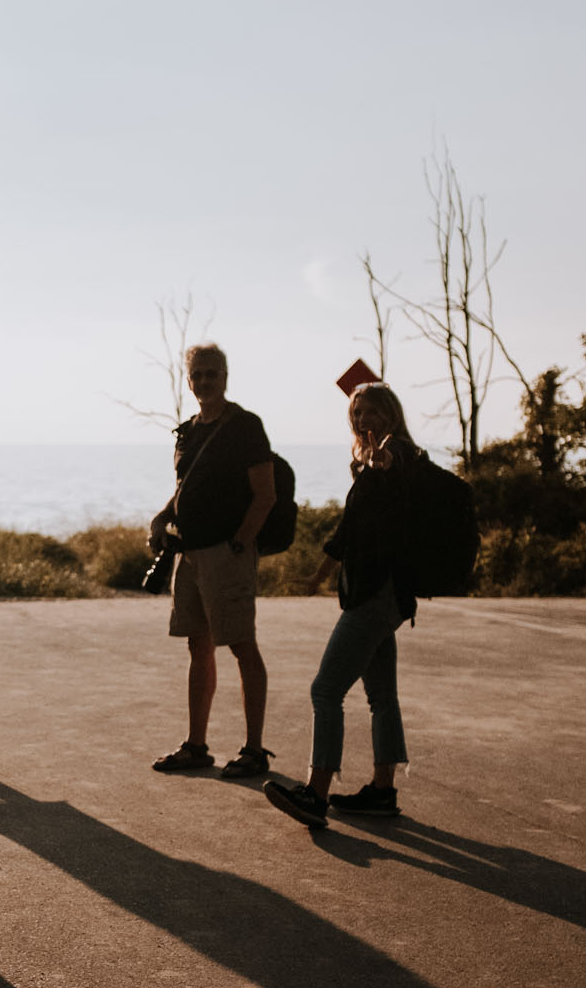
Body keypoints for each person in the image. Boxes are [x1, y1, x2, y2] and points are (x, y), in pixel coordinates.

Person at [264, 381, 419, 832]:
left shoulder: (396, 455)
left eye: (371, 411)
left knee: (326, 690)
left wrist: (381, 463)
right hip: (384, 594)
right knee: (382, 696)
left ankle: (315, 794)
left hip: (375, 595)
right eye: (356, 414)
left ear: (391, 414)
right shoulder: (373, 464)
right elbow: (349, 532)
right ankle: (382, 791)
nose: (362, 420)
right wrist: (318, 576)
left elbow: (393, 468)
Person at [146, 343, 279, 779]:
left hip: (227, 553)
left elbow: (265, 495)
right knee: (197, 646)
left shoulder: (245, 426)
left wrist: (239, 544)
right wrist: (163, 517)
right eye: (197, 375)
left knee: (241, 645)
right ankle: (196, 745)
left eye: (212, 373)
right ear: (189, 381)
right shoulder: (188, 431)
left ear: (225, 377)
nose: (204, 381)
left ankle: (254, 750)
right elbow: (185, 487)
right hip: (190, 554)